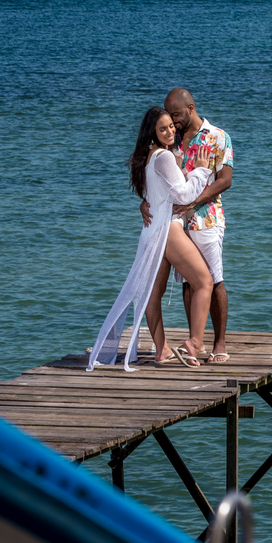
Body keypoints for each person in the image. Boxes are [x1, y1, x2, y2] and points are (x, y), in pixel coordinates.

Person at [88, 108, 214, 371]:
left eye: (171, 126)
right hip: (168, 231)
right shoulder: (163, 157)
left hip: (151, 232)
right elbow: (181, 195)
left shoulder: (148, 158)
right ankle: (193, 343)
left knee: (151, 295)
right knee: (204, 282)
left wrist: (145, 203)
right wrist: (200, 171)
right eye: (163, 129)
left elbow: (156, 194)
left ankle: (162, 350)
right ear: (152, 133)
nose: (170, 132)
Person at [143, 88, 234, 364]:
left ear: (191, 108)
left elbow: (224, 180)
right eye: (170, 117)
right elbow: (160, 178)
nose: (173, 121)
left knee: (213, 280)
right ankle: (196, 342)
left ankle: (219, 343)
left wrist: (193, 202)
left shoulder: (218, 137)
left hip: (206, 219)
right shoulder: (172, 140)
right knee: (188, 284)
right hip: (178, 224)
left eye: (177, 115)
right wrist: (145, 202)